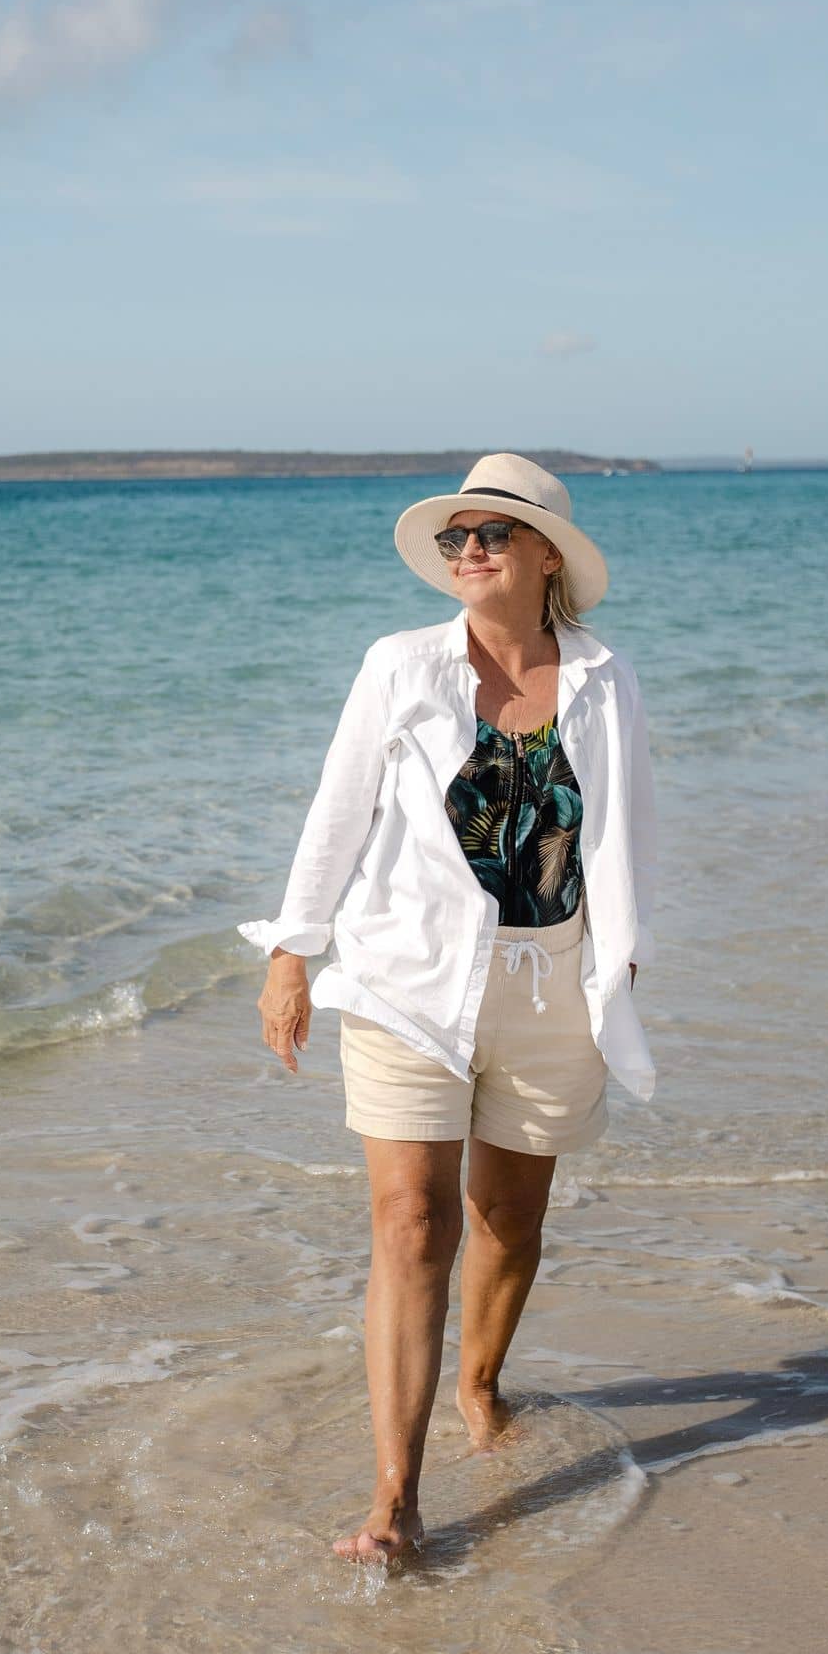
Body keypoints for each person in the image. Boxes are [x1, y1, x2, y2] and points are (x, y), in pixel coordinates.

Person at [239, 451, 661, 1565]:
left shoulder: (605, 678)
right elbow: (338, 811)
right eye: (455, 538)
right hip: (407, 980)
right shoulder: (399, 667)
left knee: (507, 1223)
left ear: (545, 556)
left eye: (490, 534)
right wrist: (293, 953)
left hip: (548, 987)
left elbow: (629, 830)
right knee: (410, 1222)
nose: (466, 552)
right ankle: (395, 1493)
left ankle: (478, 1380)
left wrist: (625, 960)